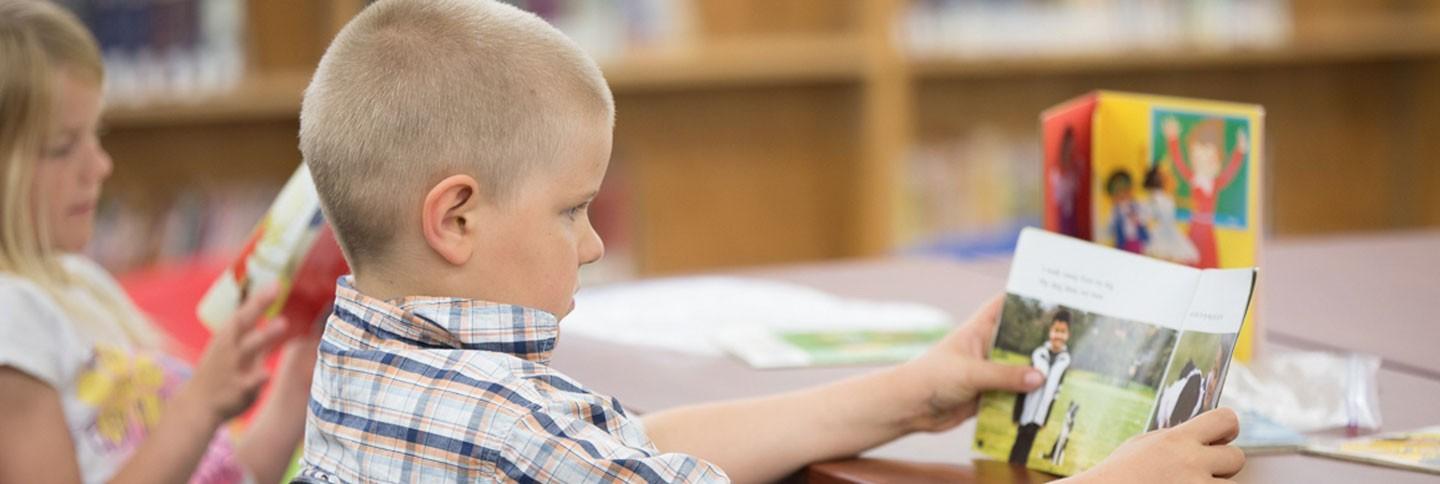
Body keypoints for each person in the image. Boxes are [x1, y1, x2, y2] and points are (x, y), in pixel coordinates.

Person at [294, 1, 1246, 482]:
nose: (589, 246)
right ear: (455, 218)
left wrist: (904, 398)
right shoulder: (510, 433)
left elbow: (631, 446)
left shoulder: (369, 352)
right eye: (573, 209)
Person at [0, 2, 319, 483]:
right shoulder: (12, 320)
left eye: (95, 135)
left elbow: (228, 475)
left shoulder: (79, 282)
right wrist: (201, 402)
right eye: (64, 147)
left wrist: (298, 377)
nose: (100, 166)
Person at [1164, 116, 1247, 269]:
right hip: (1194, 228)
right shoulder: (1193, 179)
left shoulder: (1215, 183)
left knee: (1208, 263)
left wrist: (1240, 151)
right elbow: (1179, 162)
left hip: (1208, 231)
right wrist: (1172, 138)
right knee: (1189, 262)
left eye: (1209, 159)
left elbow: (1230, 172)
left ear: (1218, 161)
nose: (1202, 163)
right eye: (1196, 158)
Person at [1011, 309, 1073, 464]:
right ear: (1050, 331)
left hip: (1041, 412)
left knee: (1028, 443)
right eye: (1056, 330)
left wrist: (1045, 418)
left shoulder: (1065, 360)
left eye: (1063, 332)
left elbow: (1056, 392)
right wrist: (1017, 413)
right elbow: (1023, 384)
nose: (1058, 335)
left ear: (1068, 335)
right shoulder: (1038, 354)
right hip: (1027, 408)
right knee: (1019, 440)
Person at [1141, 162, 1200, 265]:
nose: (1170, 177)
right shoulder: (1156, 199)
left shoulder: (1165, 198)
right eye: (1165, 175)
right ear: (1159, 180)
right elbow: (1147, 216)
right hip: (1163, 234)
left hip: (1167, 233)